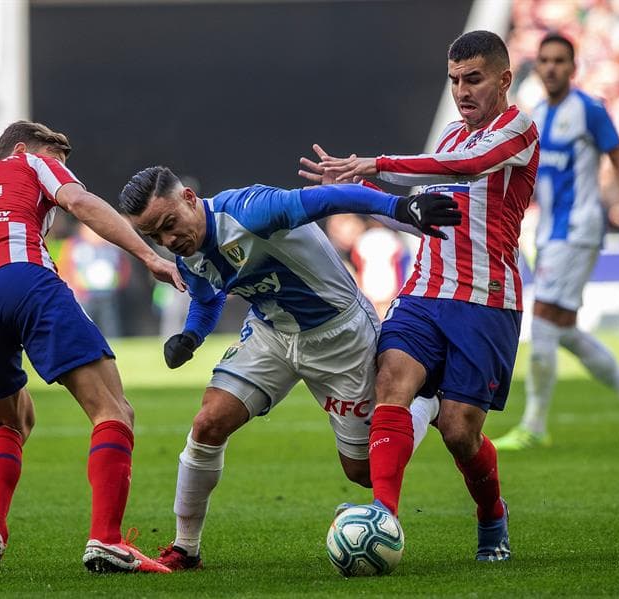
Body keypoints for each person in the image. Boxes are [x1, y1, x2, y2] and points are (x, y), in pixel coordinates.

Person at [118, 166, 462, 570]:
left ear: (190, 199)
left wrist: (400, 207)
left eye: (169, 225)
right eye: (154, 235)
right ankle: (185, 548)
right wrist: (191, 336)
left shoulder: (251, 211)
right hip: (271, 334)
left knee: (363, 472)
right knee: (208, 424)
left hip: (339, 335)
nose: (168, 240)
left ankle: (425, 404)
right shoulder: (187, 249)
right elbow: (207, 298)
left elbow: (331, 199)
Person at [0, 120, 183, 574]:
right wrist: (149, 256)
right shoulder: (30, 163)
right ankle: (106, 540)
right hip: (24, 277)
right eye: (58, 163)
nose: (61, 175)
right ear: (22, 149)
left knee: (13, 419)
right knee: (113, 409)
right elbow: (81, 202)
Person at [304, 30, 539, 562]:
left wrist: (374, 163)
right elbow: (425, 204)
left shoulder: (517, 130)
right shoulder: (451, 137)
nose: (461, 90)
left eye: (473, 78)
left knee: (460, 431)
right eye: (454, 80)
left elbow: (470, 169)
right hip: (424, 291)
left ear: (503, 79)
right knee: (391, 382)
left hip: (485, 299)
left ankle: (491, 515)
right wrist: (352, 189)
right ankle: (383, 513)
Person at [493, 33, 619, 452]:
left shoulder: (588, 110)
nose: (551, 67)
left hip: (579, 230)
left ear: (573, 67)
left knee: (544, 319)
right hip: (551, 232)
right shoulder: (542, 115)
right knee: (562, 329)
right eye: (545, 60)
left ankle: (534, 424)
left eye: (559, 61)